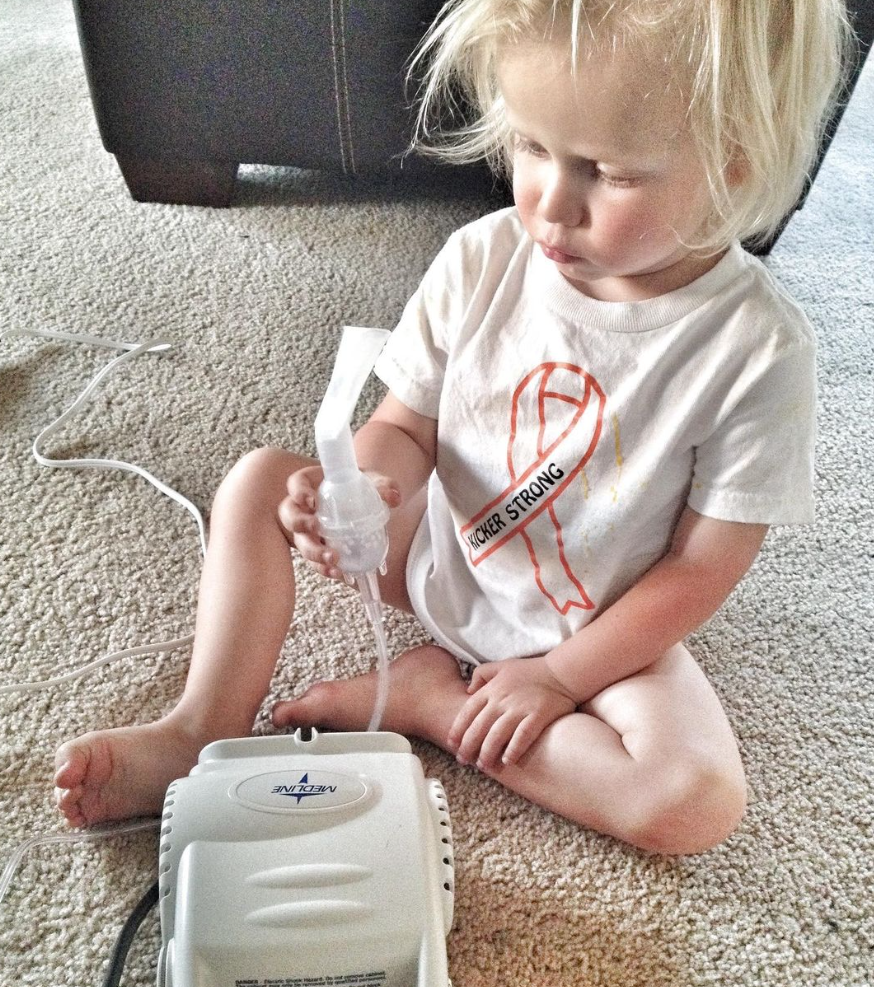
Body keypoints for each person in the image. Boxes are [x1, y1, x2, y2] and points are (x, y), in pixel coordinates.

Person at [53, 0, 850, 853]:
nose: (550, 203)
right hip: (434, 557)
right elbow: (405, 429)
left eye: (608, 173)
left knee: (691, 803)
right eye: (532, 146)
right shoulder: (480, 258)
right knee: (256, 480)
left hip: (593, 627)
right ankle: (200, 726)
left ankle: (430, 702)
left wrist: (558, 677)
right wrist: (359, 490)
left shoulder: (757, 350)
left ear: (735, 161)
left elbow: (699, 568)